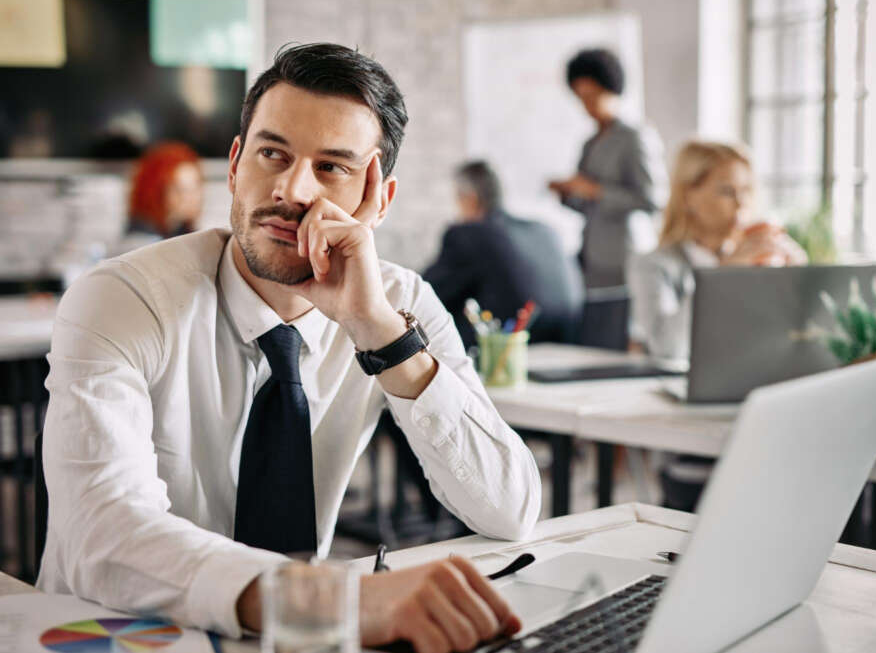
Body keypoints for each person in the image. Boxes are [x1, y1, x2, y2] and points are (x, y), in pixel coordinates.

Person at [39, 43, 541, 653]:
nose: (291, 188)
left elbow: (510, 509)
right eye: (271, 153)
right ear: (233, 165)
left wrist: (382, 335)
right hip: (116, 637)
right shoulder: (120, 297)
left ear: (377, 200)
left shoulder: (396, 303)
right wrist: (328, 599)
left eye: (331, 167)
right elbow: (103, 532)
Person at [628, 139, 807, 361]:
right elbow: (667, 348)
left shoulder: (757, 261)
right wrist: (722, 276)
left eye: (746, 190)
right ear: (688, 196)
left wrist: (799, 277)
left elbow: (785, 342)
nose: (741, 203)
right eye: (727, 191)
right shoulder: (654, 265)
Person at [424, 160, 584, 347]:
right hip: (567, 343)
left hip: (501, 352)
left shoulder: (468, 234)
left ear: (470, 199)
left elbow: (426, 294)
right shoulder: (545, 230)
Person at [548, 48, 666, 288]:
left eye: (593, 96)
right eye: (581, 98)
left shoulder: (635, 137)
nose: (587, 106)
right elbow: (589, 207)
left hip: (626, 257)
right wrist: (568, 193)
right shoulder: (590, 143)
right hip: (592, 257)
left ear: (611, 90)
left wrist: (596, 190)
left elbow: (654, 200)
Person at [117, 141, 204, 254]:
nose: (193, 197)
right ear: (157, 191)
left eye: (196, 186)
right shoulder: (140, 241)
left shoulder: (183, 230)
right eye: (180, 190)